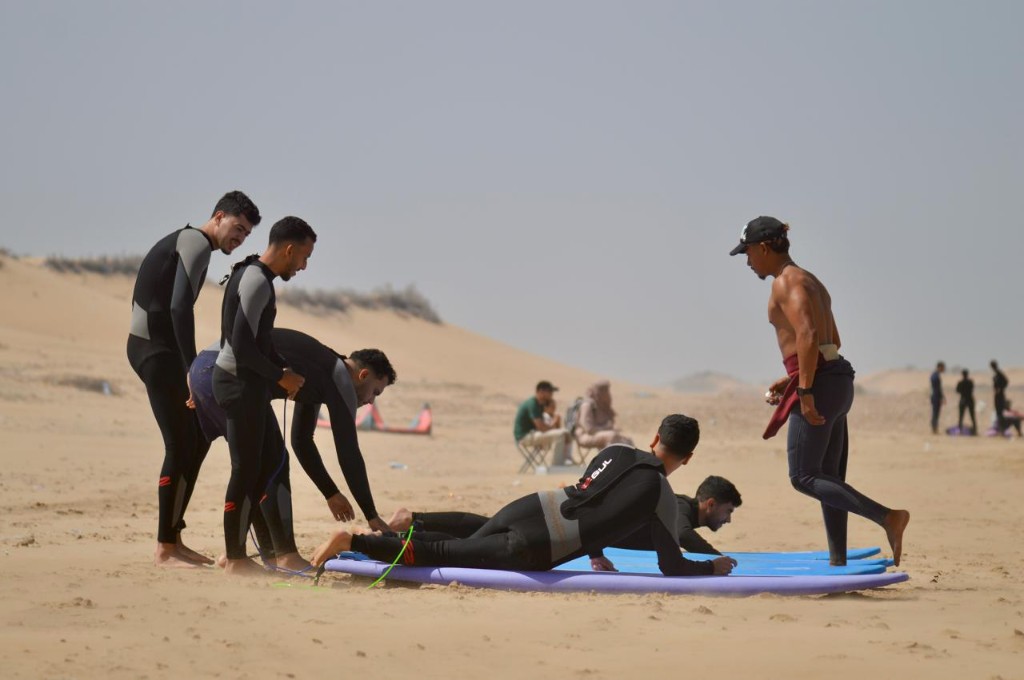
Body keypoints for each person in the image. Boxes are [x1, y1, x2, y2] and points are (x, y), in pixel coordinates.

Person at [312, 414, 737, 576]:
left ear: (655, 437)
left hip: (536, 505)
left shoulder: (617, 450)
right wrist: (711, 567)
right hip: (541, 545)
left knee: (464, 543)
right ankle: (354, 542)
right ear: (689, 457)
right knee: (444, 553)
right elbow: (671, 565)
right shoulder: (662, 493)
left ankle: (374, 535)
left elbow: (594, 496)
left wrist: (596, 549)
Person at [730, 216, 910, 566]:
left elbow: (809, 335)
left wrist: (806, 390)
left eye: (748, 253)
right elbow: (832, 341)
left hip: (822, 386)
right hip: (837, 380)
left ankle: (888, 517)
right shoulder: (812, 281)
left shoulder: (784, 282)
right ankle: (837, 559)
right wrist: (792, 378)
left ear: (764, 248)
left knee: (804, 476)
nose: (748, 261)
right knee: (828, 478)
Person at [126, 190, 261, 568]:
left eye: (247, 234)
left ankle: (172, 538)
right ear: (218, 216)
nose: (239, 238)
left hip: (153, 349)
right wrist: (189, 368)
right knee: (179, 443)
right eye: (237, 228)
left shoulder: (189, 243)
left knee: (195, 437)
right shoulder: (196, 242)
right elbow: (178, 306)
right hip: (157, 352)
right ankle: (166, 546)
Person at [189, 330, 397, 568]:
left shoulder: (321, 367)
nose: (371, 401)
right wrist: (371, 514)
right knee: (272, 462)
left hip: (204, 369)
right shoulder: (339, 378)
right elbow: (348, 452)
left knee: (262, 463)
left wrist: (330, 492)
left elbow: (302, 441)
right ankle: (281, 555)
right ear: (363, 374)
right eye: (375, 392)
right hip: (226, 373)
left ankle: (261, 554)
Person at [213, 216, 315, 576]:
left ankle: (266, 552)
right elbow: (240, 346)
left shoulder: (253, 275)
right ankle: (235, 559)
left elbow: (258, 340)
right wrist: (280, 377)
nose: (303, 266)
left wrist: (281, 367)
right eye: (303, 257)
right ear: (289, 249)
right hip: (236, 383)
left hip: (246, 383)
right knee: (245, 471)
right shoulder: (256, 279)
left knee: (269, 461)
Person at [386, 474, 742, 571]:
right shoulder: (678, 506)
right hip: (557, 525)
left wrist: (595, 551)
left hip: (562, 523)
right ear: (709, 504)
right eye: (727, 511)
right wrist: (716, 558)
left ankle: (414, 523)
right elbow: (681, 537)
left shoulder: (673, 504)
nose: (727, 519)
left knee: (485, 527)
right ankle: (409, 525)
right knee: (479, 536)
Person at [514, 380, 572, 465]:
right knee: (560, 434)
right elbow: (541, 427)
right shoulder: (532, 404)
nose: (552, 394)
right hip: (525, 437)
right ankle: (557, 465)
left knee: (566, 433)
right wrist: (553, 426)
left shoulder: (539, 405)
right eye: (550, 391)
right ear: (541, 392)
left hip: (533, 434)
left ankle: (567, 460)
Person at [573, 380, 634, 449]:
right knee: (612, 436)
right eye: (604, 391)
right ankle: (610, 458)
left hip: (599, 434)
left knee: (627, 440)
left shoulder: (601, 406)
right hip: (584, 436)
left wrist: (611, 428)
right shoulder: (587, 405)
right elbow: (589, 429)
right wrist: (606, 428)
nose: (608, 394)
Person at [955, 369, 977, 435]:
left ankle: (960, 430)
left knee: (961, 416)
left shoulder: (960, 382)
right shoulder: (970, 382)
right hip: (970, 399)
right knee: (972, 416)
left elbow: (957, 391)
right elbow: (972, 389)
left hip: (963, 399)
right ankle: (975, 430)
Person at [991, 360, 1010, 433]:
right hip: (997, 395)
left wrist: (1000, 389)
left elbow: (1006, 381)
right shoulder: (996, 374)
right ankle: (1000, 428)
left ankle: (1002, 428)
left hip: (1000, 395)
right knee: (998, 413)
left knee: (1000, 412)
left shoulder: (999, 373)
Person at [930, 361, 945, 434]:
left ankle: (935, 428)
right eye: (943, 367)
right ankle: (934, 429)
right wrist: (941, 397)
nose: (943, 369)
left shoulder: (935, 375)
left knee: (936, 413)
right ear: (939, 367)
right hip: (936, 396)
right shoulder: (935, 376)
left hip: (935, 396)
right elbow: (938, 388)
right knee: (935, 413)